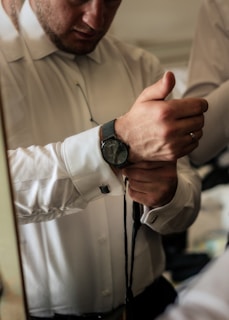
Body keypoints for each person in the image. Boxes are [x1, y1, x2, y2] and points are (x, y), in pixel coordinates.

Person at [0, 0, 208, 319]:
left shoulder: (140, 65)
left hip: (151, 305)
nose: (96, 18)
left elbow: (187, 207)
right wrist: (113, 145)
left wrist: (169, 196)